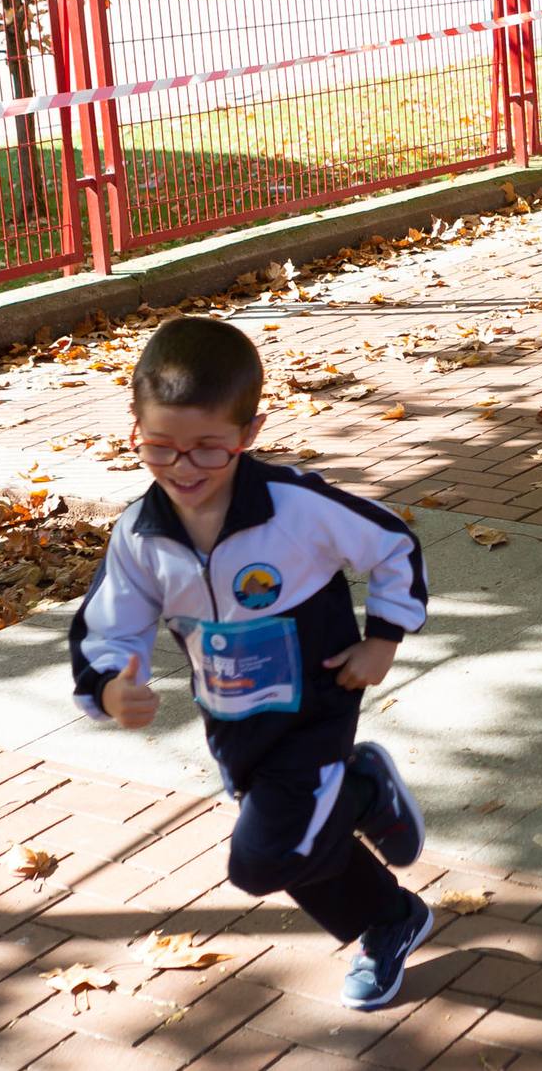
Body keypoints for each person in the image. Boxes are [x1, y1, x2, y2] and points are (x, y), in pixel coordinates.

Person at [69, 316, 434, 1011]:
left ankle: (377, 883)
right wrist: (113, 686)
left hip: (317, 703)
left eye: (209, 449)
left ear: (249, 433)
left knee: (262, 861)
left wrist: (383, 638)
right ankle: (366, 821)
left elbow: (393, 546)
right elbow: (109, 622)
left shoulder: (297, 508)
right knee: (292, 838)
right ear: (134, 432)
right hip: (232, 718)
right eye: (160, 448)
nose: (183, 469)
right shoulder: (141, 533)